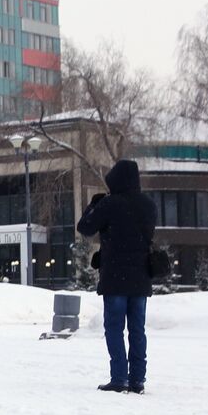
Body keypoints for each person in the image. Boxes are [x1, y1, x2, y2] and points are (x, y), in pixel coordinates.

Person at [76, 159, 156, 394]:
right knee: (137, 330)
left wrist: (94, 205)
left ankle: (119, 377)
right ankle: (137, 380)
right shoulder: (149, 205)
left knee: (114, 328)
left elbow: (85, 227)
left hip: (115, 278)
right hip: (141, 277)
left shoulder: (110, 204)